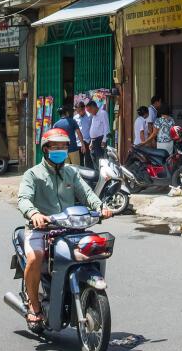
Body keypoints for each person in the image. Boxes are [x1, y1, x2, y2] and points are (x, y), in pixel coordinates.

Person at [17, 128, 114, 329]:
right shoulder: (32, 174)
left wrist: (100, 207)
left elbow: (87, 193)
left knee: (94, 249)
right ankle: (34, 307)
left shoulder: (71, 172)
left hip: (71, 229)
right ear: (45, 149)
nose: (60, 150)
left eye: (63, 147)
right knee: (34, 258)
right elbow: (23, 199)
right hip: (42, 229)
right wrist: (34, 214)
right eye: (55, 147)